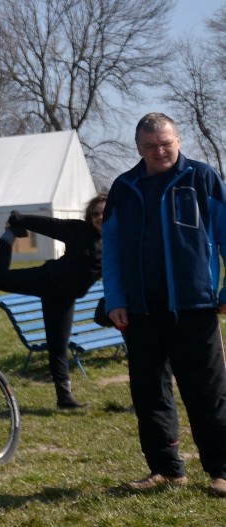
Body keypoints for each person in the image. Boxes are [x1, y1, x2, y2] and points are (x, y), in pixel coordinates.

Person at [102, 112, 226, 498]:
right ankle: (166, 469)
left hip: (195, 307)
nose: (159, 151)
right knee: (150, 393)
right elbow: (111, 250)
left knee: (207, 392)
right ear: (138, 148)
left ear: (178, 140)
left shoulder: (202, 178)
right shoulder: (124, 187)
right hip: (139, 311)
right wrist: (116, 299)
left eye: (166, 144)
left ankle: (221, 470)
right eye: (150, 146)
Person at [0, 195, 106, 408]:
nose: (99, 217)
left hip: (65, 296)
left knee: (58, 344)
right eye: (95, 213)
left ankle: (64, 398)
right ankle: (8, 236)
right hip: (48, 280)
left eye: (105, 212)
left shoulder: (116, 241)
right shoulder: (79, 231)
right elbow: (51, 226)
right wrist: (18, 220)